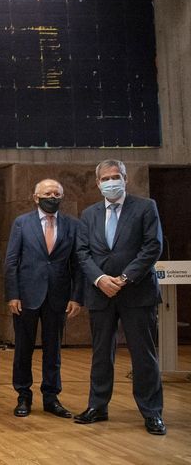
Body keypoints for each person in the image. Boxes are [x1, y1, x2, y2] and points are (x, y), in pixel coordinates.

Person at [74, 160, 166, 435]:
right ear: (97, 182)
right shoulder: (89, 214)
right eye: (105, 178)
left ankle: (152, 412)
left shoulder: (145, 207)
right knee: (101, 353)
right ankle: (98, 406)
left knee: (143, 355)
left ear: (125, 179)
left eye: (116, 176)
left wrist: (124, 279)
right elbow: (82, 252)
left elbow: (153, 246)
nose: (110, 181)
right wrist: (101, 279)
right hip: (100, 293)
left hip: (137, 292)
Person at [4, 179, 82, 419]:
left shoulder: (72, 224)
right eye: (47, 193)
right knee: (23, 349)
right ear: (36, 197)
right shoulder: (22, 223)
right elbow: (11, 261)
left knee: (53, 350)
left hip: (58, 297)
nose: (53, 196)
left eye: (57, 193)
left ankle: (51, 398)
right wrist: (13, 294)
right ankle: (23, 396)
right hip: (26, 297)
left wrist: (76, 297)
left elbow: (78, 264)